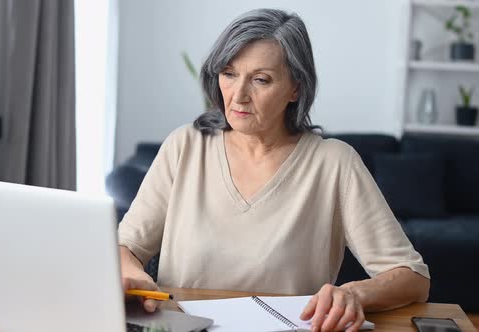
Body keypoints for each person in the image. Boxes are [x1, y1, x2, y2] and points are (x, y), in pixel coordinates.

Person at [119, 8, 430, 332]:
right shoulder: (185, 146)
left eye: (260, 80)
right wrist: (133, 274)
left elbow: (413, 278)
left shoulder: (335, 164)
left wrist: (353, 293)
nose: (238, 95)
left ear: (295, 88)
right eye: (229, 73)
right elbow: (125, 246)